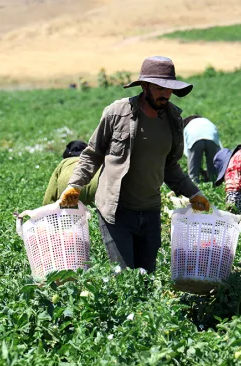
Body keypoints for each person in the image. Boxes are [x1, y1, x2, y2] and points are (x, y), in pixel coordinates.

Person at [59, 56, 210, 273]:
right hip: (116, 211)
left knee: (147, 276)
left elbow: (170, 166)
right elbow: (92, 154)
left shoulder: (173, 119)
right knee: (123, 277)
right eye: (160, 88)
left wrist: (193, 193)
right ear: (145, 86)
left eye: (170, 89)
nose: (165, 94)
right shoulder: (117, 113)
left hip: (149, 211)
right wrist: (75, 184)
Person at [43, 140, 100, 207]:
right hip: (95, 183)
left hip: (69, 186)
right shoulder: (94, 161)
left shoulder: (64, 163)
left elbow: (49, 198)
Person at [183, 115, 222, 183]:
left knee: (193, 172)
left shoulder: (187, 127)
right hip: (211, 136)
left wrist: (198, 168)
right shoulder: (207, 121)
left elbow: (188, 154)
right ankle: (213, 180)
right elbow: (219, 148)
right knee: (212, 163)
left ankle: (194, 182)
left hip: (194, 137)